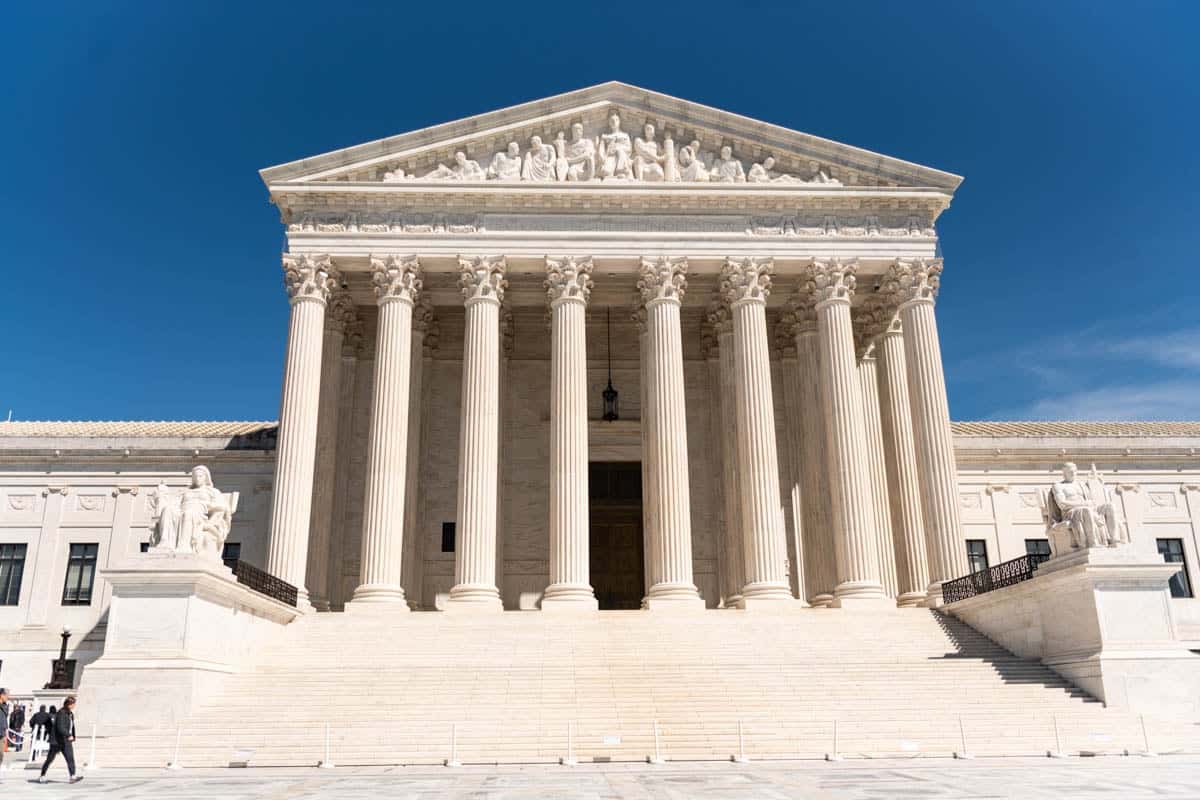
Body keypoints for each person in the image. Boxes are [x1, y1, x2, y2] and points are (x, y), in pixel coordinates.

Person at [39, 696, 82, 784]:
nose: (74, 705)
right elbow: (60, 727)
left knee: (70, 758)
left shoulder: (70, 714)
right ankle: (42, 775)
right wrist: (69, 735)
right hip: (57, 741)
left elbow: (71, 726)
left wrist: (71, 736)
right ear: (68, 704)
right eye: (73, 704)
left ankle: (72, 776)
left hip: (66, 741)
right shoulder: (61, 713)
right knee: (50, 759)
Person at [0, 688, 8, 770]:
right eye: (6, 695)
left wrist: (6, 734)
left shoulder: (5, 706)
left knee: (1, 754)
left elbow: (5, 719)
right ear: (1, 695)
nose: (8, 697)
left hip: (2, 733)